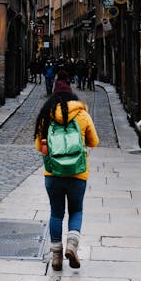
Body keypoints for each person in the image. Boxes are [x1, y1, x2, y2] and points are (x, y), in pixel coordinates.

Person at [34, 71, 99, 270]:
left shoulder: (47, 115)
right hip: (78, 173)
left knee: (56, 213)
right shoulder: (82, 114)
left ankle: (56, 256)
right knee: (76, 210)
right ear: (72, 95)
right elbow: (94, 142)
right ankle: (72, 244)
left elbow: (39, 146)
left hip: (53, 174)